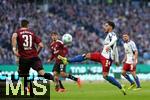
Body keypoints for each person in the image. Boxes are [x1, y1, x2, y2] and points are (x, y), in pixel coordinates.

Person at [58, 21, 126, 95]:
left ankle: (120, 86)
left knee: (105, 76)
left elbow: (115, 39)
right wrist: (116, 59)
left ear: (110, 27)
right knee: (86, 55)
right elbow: (115, 48)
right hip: (101, 55)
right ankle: (68, 60)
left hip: (107, 58)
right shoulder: (108, 35)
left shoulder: (112, 34)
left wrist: (110, 48)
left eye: (106, 26)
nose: (104, 27)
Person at [11, 19, 54, 93]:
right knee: (42, 73)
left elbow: (14, 37)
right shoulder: (32, 33)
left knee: (24, 75)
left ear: (21, 25)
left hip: (24, 58)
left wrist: (14, 50)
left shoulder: (17, 33)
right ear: (27, 25)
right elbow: (41, 45)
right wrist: (36, 53)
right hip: (34, 57)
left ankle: (26, 89)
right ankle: (55, 80)